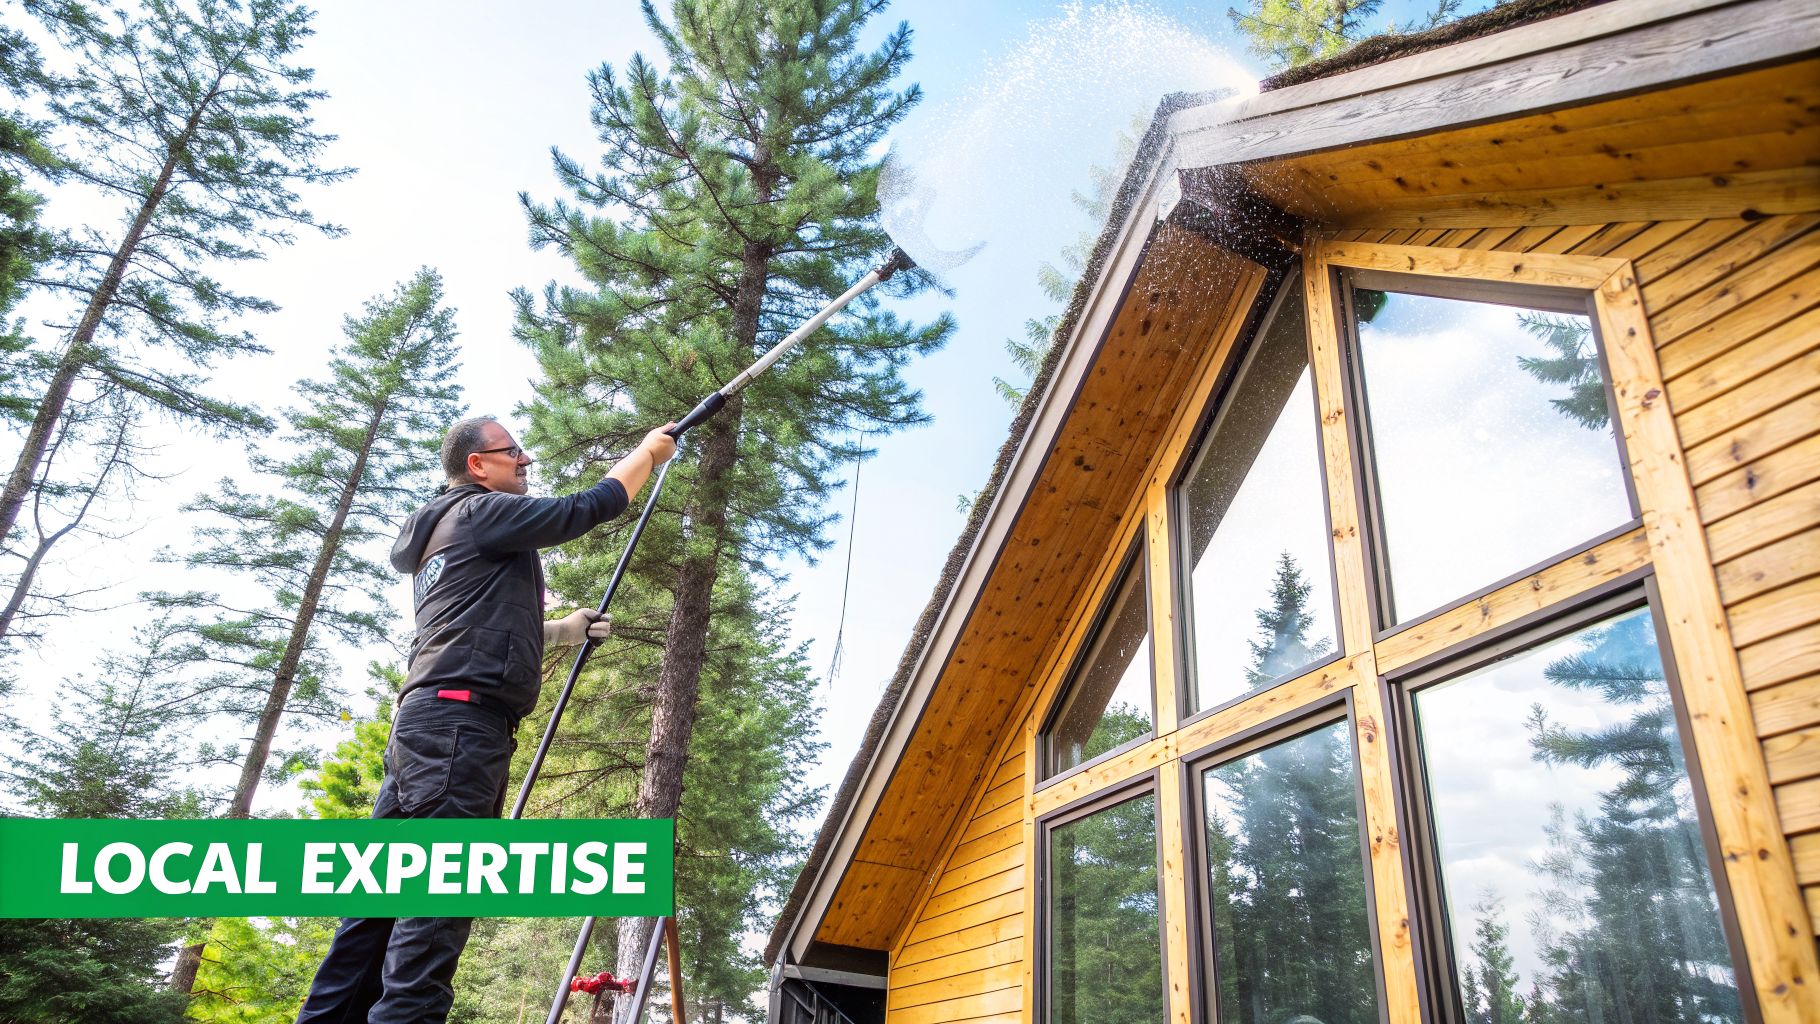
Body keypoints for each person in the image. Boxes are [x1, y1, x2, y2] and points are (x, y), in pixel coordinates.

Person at [295, 414, 677, 1024]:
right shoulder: (479, 512)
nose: (524, 460)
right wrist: (647, 455)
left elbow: (464, 633)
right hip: (457, 734)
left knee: (375, 905)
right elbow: (588, 507)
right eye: (512, 451)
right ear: (477, 464)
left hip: (425, 728)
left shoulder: (445, 534)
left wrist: (560, 631)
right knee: (437, 900)